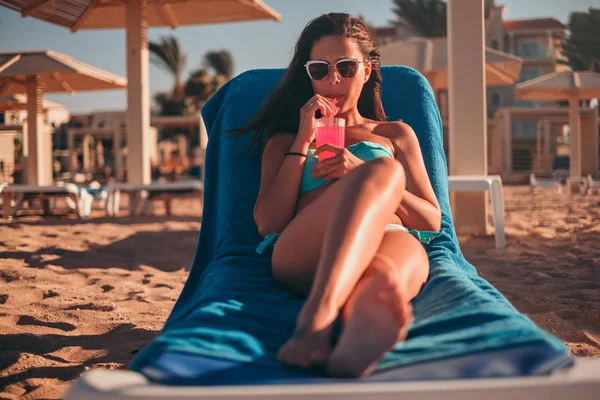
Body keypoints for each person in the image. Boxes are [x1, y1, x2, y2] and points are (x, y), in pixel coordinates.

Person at [233, 13, 442, 378]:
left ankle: (359, 328)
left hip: (389, 239)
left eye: (346, 67)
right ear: (307, 74)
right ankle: (316, 319)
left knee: (383, 275)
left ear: (366, 69)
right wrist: (302, 140)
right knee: (384, 170)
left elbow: (431, 220)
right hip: (305, 248)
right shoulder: (284, 141)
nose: (333, 80)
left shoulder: (395, 135)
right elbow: (268, 224)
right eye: (320, 69)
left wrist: (359, 173)